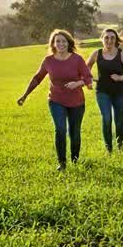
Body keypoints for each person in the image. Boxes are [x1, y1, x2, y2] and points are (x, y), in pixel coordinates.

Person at [17, 29, 93, 170]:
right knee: (60, 129)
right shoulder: (48, 61)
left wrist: (77, 83)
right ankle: (62, 163)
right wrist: (25, 95)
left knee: (74, 132)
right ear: (53, 44)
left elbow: (88, 78)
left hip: (76, 101)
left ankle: (75, 160)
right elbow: (37, 78)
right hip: (56, 100)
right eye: (57, 41)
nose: (61, 43)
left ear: (68, 43)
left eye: (63, 41)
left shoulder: (77, 59)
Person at [86, 28, 123, 152]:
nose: (109, 40)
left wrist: (120, 77)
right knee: (106, 118)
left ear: (116, 40)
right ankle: (109, 148)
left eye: (112, 38)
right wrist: (90, 79)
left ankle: (120, 145)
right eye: (106, 37)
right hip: (102, 92)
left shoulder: (121, 54)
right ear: (102, 39)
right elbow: (86, 68)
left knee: (119, 120)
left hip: (120, 92)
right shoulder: (97, 53)